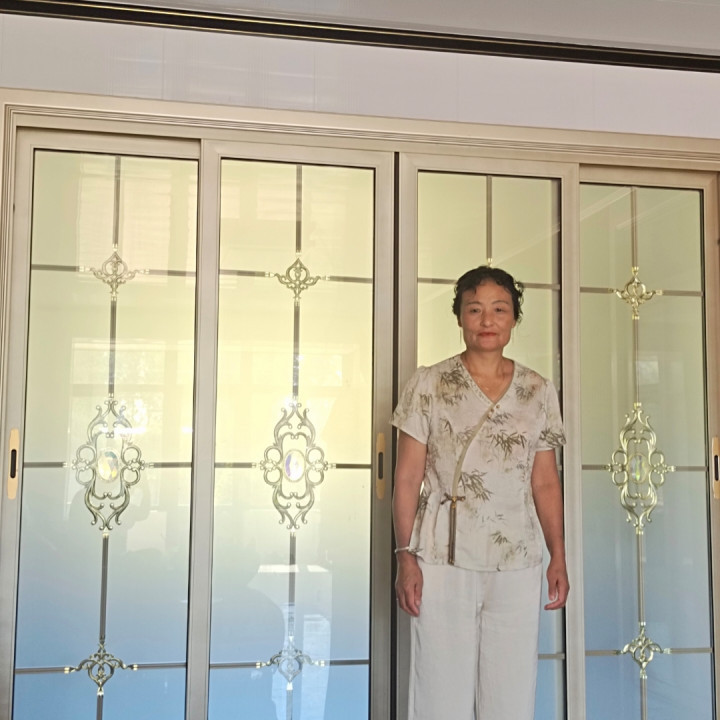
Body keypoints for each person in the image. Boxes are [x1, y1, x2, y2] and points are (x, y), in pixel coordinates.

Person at [392, 265, 568, 720]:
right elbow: (408, 477)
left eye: (499, 309)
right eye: (475, 309)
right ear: (459, 317)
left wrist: (559, 554)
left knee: (510, 690)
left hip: (517, 556)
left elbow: (545, 481)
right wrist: (405, 557)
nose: (487, 320)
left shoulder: (538, 390)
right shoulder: (429, 383)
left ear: (514, 319)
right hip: (440, 555)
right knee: (438, 689)